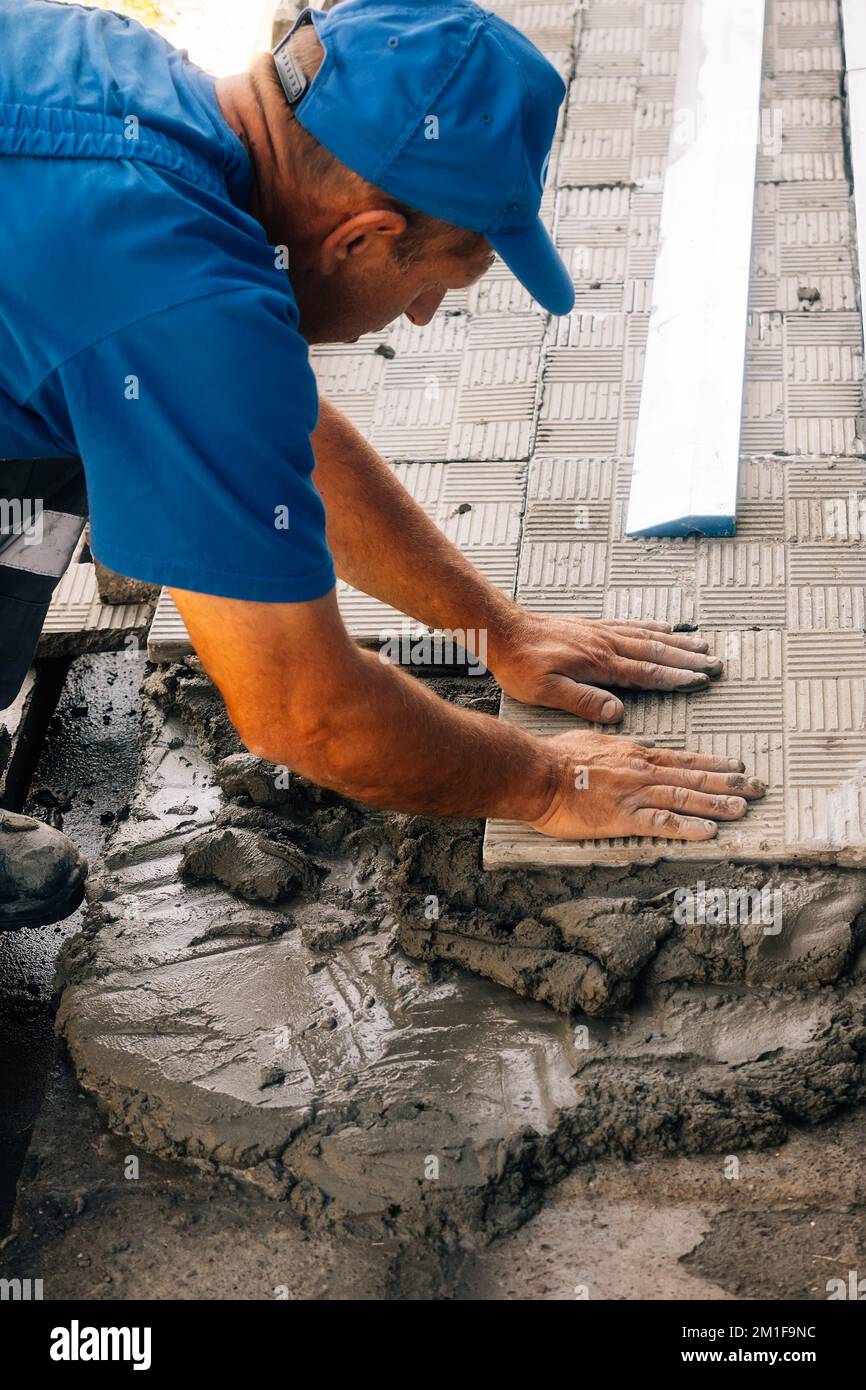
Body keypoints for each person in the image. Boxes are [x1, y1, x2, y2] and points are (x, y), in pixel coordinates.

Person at [0, 0, 765, 930]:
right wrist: (548, 780)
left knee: (70, 415)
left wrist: (494, 631)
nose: (420, 318)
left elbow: (264, 424)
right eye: (433, 280)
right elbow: (304, 715)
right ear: (360, 237)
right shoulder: (173, 304)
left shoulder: (123, 73)